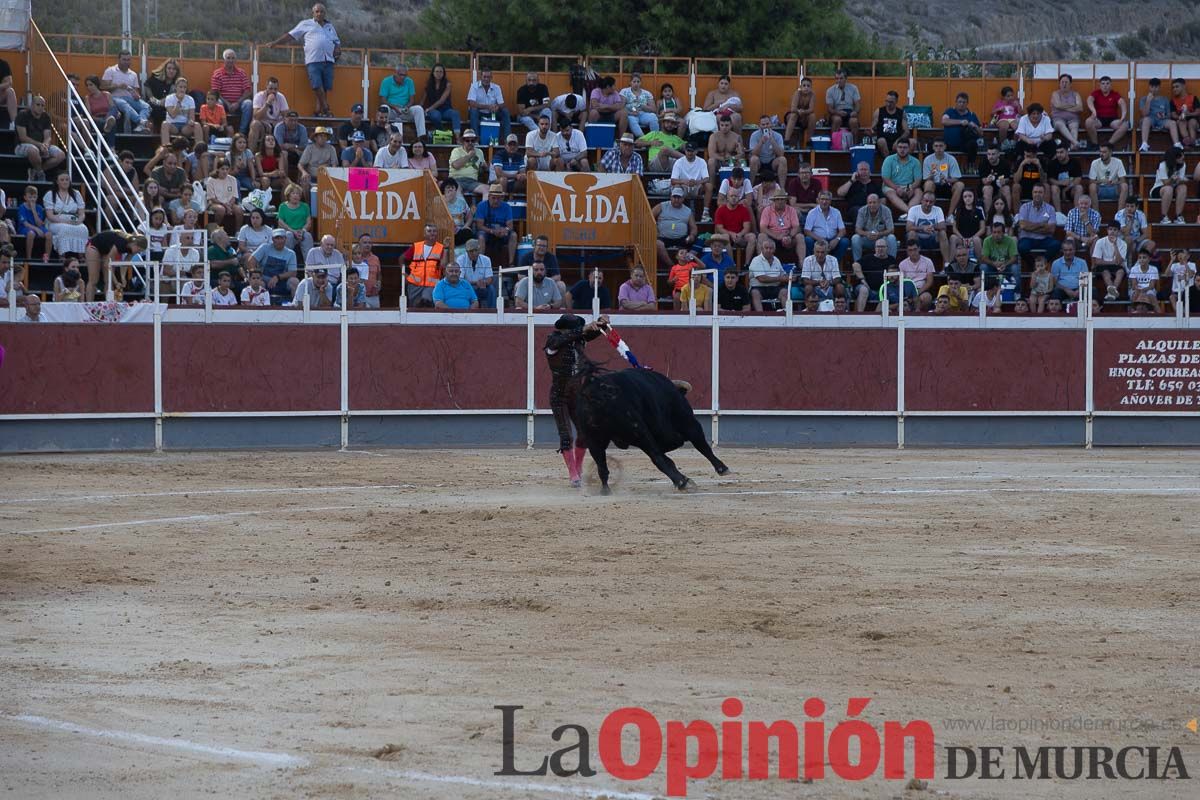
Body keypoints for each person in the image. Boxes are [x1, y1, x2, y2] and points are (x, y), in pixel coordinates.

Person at [544, 313, 607, 487]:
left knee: (584, 434)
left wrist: (601, 323)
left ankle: (577, 468)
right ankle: (573, 474)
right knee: (566, 436)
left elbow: (590, 334)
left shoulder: (578, 339)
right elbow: (568, 337)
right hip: (559, 397)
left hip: (577, 396)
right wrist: (583, 329)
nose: (576, 332)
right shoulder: (553, 341)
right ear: (564, 329)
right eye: (573, 329)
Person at [269, 3, 340, 117]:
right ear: (313, 13)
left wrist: (337, 48)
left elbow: (337, 41)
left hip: (328, 60)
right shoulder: (306, 24)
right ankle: (326, 108)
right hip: (313, 60)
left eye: (321, 11)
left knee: (325, 87)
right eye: (317, 11)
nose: (319, 14)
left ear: (325, 13)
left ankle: (318, 111)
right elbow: (290, 35)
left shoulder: (330, 26)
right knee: (317, 85)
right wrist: (276, 43)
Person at [85, 231, 145, 302]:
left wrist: (123, 278)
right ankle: (89, 304)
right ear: (135, 244)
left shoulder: (131, 249)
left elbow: (125, 263)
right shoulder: (121, 243)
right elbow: (107, 265)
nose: (138, 252)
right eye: (139, 250)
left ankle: (109, 304)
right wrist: (116, 282)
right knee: (94, 280)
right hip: (94, 246)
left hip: (106, 250)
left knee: (109, 281)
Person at [15, 96, 66, 181]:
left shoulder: (46, 116)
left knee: (61, 155)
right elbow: (23, 137)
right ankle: (41, 175)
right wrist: (40, 145)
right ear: (32, 105)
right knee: (33, 150)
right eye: (38, 105)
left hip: (41, 145)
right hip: (21, 145)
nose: (40, 107)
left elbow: (48, 136)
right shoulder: (22, 115)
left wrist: (45, 145)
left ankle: (36, 171)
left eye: (42, 105)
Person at [101, 50, 150, 132]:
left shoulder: (133, 74)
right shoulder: (110, 70)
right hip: (115, 98)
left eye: (128, 60)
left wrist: (137, 95)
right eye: (124, 59)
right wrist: (117, 86)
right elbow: (103, 87)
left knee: (146, 106)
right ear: (119, 60)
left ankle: (140, 126)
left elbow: (136, 91)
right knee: (124, 104)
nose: (126, 62)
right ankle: (140, 122)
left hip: (129, 98)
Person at [43, 173, 89, 259]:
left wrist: (79, 220)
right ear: (57, 181)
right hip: (55, 221)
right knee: (64, 228)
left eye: (67, 180)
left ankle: (81, 255)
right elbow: (50, 215)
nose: (65, 182)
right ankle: (62, 255)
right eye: (62, 180)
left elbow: (81, 213)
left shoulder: (76, 193)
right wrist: (65, 221)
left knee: (83, 229)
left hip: (73, 220)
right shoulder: (50, 194)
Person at [247, 228, 300, 302]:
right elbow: (251, 261)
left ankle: (295, 306)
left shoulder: (291, 253)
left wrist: (277, 277)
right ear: (272, 239)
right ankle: (258, 306)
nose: (279, 241)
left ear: (285, 239)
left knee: (294, 281)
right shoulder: (265, 247)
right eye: (277, 238)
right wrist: (258, 277)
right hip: (264, 281)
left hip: (282, 282)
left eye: (281, 238)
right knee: (258, 282)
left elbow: (293, 272)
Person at [402, 223, 447, 307]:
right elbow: (401, 259)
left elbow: (443, 265)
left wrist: (446, 248)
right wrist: (404, 275)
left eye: (434, 231)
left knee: (426, 302)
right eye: (429, 231)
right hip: (414, 285)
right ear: (424, 234)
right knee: (414, 307)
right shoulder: (416, 246)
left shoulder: (441, 248)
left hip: (431, 285)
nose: (432, 233)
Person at [379, 62, 427, 141]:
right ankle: (385, 136)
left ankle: (421, 137)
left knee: (418, 109)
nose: (403, 77)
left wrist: (407, 107)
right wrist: (394, 107)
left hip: (404, 110)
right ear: (395, 73)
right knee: (384, 107)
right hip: (391, 110)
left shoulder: (409, 81)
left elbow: (412, 100)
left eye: (405, 75)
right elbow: (382, 99)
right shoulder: (386, 81)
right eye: (401, 75)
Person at [210, 49, 253, 135]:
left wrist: (237, 102)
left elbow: (248, 91)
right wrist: (228, 103)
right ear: (224, 60)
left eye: (233, 58)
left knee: (248, 103)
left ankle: (242, 133)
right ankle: (221, 130)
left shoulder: (241, 73)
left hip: (239, 102)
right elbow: (215, 92)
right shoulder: (217, 73)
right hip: (224, 102)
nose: (231, 60)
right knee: (218, 103)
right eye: (228, 58)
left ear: (235, 60)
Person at [654, 187, 697, 268]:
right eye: (674, 197)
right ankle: (672, 266)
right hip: (663, 237)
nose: (676, 199)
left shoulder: (687, 211)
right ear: (671, 197)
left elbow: (693, 227)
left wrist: (692, 235)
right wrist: (655, 229)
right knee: (658, 244)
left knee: (699, 239)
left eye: (679, 197)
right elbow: (649, 217)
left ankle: (689, 266)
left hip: (681, 238)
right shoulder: (662, 206)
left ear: (683, 198)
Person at [759, 188, 804, 266]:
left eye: (782, 199)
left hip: (787, 235)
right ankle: (762, 264)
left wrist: (789, 236)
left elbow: (796, 227)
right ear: (774, 201)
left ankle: (802, 264)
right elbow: (762, 228)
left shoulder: (791, 210)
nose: (780, 201)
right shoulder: (767, 210)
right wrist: (776, 236)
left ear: (786, 200)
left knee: (800, 237)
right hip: (772, 236)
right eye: (778, 199)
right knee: (761, 236)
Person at [1016, 184, 1061, 261]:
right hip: (1027, 238)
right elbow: (1023, 226)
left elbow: (1051, 229)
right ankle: (1033, 264)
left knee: (1056, 245)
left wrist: (1030, 227)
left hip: (1044, 239)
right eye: (1035, 192)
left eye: (1040, 192)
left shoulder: (1050, 209)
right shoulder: (1024, 207)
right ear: (1032, 193)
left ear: (1044, 194)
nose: (1037, 194)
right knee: (1022, 247)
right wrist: (1042, 224)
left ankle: (1043, 262)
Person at [475, 185, 517, 264]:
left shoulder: (507, 207)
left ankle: (511, 263)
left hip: (502, 232)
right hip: (487, 232)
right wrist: (492, 231)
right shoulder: (481, 206)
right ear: (489, 197)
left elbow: (510, 225)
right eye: (493, 198)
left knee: (513, 235)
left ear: (502, 198)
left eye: (498, 198)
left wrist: (505, 230)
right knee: (481, 236)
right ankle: (480, 264)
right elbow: (479, 226)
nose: (496, 201)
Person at [851, 236, 895, 311]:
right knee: (863, 290)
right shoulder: (868, 258)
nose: (880, 249)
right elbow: (855, 265)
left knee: (886, 291)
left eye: (882, 247)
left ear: (887, 248)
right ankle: (859, 316)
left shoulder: (891, 260)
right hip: (867, 289)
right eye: (878, 247)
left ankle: (876, 316)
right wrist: (862, 280)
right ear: (875, 248)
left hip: (883, 290)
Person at [1085, 76, 1129, 148]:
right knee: (1088, 122)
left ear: (1110, 85)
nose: (1105, 86)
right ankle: (1095, 144)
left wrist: (1123, 116)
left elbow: (1122, 103)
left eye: (1107, 83)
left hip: (1112, 120)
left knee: (1125, 125)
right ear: (1100, 85)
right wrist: (1093, 111)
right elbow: (1089, 100)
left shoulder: (1115, 94)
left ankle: (1108, 145)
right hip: (1098, 119)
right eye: (1103, 84)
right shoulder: (1096, 93)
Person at [803, 190, 849, 261]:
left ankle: (834, 264)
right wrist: (820, 239)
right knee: (808, 240)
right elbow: (807, 231)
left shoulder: (836, 212)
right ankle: (813, 264)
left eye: (827, 199)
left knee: (844, 241)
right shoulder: (812, 213)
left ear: (830, 201)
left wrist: (836, 239)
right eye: (822, 199)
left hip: (832, 240)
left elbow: (842, 230)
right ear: (818, 200)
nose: (824, 202)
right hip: (817, 240)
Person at [941, 92, 983, 168]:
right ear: (956, 102)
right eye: (959, 102)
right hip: (948, 144)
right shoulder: (950, 111)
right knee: (933, 144)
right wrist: (961, 122)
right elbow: (944, 121)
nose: (961, 104)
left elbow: (981, 133)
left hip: (964, 145)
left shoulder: (972, 115)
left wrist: (975, 126)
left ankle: (970, 167)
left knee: (973, 144)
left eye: (964, 102)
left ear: (967, 103)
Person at [467, 68, 510, 142]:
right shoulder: (474, 86)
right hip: (479, 112)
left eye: (488, 77)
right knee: (473, 111)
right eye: (484, 77)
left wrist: (497, 107)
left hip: (493, 112)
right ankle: (475, 140)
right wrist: (487, 106)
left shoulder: (497, 87)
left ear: (491, 78)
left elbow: (502, 104)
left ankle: (508, 140)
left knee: (505, 111)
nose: (486, 79)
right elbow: (471, 103)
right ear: (481, 77)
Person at [881, 139, 922, 213]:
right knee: (891, 193)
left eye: (905, 147)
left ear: (909, 149)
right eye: (900, 147)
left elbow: (918, 180)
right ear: (896, 148)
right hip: (892, 186)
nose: (902, 150)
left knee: (919, 192)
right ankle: (909, 212)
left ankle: (908, 213)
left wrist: (911, 187)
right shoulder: (889, 160)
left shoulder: (915, 162)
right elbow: (885, 179)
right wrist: (897, 188)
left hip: (909, 186)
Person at [922, 139, 965, 212]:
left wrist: (947, 179)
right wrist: (931, 176)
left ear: (945, 147)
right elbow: (925, 179)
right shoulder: (928, 159)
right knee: (928, 183)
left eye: (941, 146)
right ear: (933, 147)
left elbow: (956, 178)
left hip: (947, 185)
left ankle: (950, 214)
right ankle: (929, 212)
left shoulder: (951, 159)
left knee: (960, 185)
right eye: (936, 146)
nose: (938, 148)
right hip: (934, 186)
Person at [248, 76, 289, 151]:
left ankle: (280, 153)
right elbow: (256, 116)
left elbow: (286, 116)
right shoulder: (259, 96)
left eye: (275, 89)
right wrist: (267, 103)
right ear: (266, 87)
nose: (273, 91)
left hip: (276, 124)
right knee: (254, 124)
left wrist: (276, 123)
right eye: (270, 88)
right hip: (262, 123)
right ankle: (251, 155)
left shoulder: (281, 97)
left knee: (284, 125)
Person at [423, 63, 462, 140]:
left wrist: (429, 108)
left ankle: (457, 138)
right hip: (433, 110)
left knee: (455, 113)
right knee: (436, 116)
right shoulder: (429, 84)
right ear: (433, 73)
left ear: (444, 73)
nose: (439, 73)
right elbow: (423, 99)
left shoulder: (448, 84)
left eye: (441, 72)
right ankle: (444, 133)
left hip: (445, 110)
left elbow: (442, 100)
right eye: (437, 71)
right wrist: (421, 109)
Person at [1151, 145, 1188, 224]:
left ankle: (1178, 216)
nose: (1183, 157)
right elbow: (1165, 183)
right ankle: (1164, 216)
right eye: (1180, 156)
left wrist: (1182, 180)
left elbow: (1179, 181)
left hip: (1173, 187)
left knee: (1183, 187)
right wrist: (1172, 178)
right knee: (1168, 188)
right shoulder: (1163, 165)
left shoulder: (1182, 165)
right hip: (1159, 188)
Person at [1139, 78, 1179, 152]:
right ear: (1149, 87)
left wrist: (1164, 116)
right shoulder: (1143, 99)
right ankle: (1144, 144)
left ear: (1159, 87)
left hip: (1162, 120)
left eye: (1156, 87)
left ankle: (1176, 144)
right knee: (1146, 120)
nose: (1154, 89)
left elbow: (1169, 115)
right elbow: (1145, 114)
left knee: (1173, 123)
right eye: (1152, 87)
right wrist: (1148, 101)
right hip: (1150, 119)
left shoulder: (1165, 99)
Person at [747, 237, 787, 311]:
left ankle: (786, 313)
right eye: (766, 248)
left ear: (774, 250)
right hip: (759, 288)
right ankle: (760, 315)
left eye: (771, 248)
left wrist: (789, 277)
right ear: (762, 249)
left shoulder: (776, 260)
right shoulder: (756, 260)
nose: (768, 250)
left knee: (784, 291)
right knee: (755, 293)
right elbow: (762, 278)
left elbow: (783, 274)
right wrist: (780, 278)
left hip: (774, 288)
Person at [1092, 221, 1128, 301]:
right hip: (1103, 266)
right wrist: (1113, 262)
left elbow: (1119, 261)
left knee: (1120, 272)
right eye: (1110, 229)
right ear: (1107, 230)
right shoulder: (1100, 242)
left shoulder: (1123, 244)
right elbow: (1097, 261)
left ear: (1118, 232)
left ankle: (1111, 293)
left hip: (1117, 266)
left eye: (1115, 230)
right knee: (1106, 273)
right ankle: (1113, 292)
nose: (1112, 231)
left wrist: (1115, 245)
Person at [449, 128, 489, 198]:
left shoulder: (479, 152)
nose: (470, 143)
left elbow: (485, 166)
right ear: (463, 141)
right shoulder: (456, 151)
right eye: (467, 140)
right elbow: (455, 165)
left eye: (472, 140)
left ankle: (482, 209)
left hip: (472, 181)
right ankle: (464, 209)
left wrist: (485, 167)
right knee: (456, 190)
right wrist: (469, 155)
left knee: (487, 189)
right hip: (456, 180)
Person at [748, 115, 787, 186]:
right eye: (763, 124)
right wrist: (761, 142)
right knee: (753, 159)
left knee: (782, 160)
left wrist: (772, 140)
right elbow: (753, 153)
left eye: (767, 124)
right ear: (760, 125)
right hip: (759, 162)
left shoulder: (778, 136)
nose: (765, 126)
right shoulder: (754, 135)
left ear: (771, 124)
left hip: (772, 162)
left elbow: (781, 154)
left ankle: (782, 188)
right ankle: (750, 187)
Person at [898, 238, 935, 311]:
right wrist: (910, 295)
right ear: (907, 252)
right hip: (908, 292)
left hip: (922, 290)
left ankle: (920, 316)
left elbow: (929, 281)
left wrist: (917, 292)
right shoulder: (902, 264)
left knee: (927, 298)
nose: (913, 252)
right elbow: (901, 282)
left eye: (915, 249)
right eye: (910, 250)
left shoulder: (928, 261)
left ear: (919, 249)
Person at [298, 125, 338, 192]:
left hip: (326, 176)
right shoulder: (309, 148)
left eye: (325, 136)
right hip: (311, 176)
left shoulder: (331, 148)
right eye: (321, 136)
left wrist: (332, 174)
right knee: (304, 181)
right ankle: (308, 202)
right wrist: (303, 172)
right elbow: (300, 164)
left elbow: (334, 165)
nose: (323, 138)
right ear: (315, 138)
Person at [1087, 144, 1128, 209]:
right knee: (1092, 186)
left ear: (1111, 152)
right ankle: (1096, 215)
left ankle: (1119, 216)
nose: (1101, 154)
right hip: (1100, 189)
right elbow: (1091, 181)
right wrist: (1101, 181)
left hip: (1113, 188)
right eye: (1100, 152)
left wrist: (1115, 182)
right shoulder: (1095, 162)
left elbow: (1123, 180)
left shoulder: (1118, 162)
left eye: (1104, 152)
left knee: (1124, 186)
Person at [457, 239, 495, 308]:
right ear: (467, 251)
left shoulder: (486, 259)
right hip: (467, 287)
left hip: (482, 286)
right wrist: (475, 283)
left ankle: (492, 312)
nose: (474, 253)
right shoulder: (460, 259)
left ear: (479, 250)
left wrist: (484, 282)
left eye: (476, 250)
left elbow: (490, 278)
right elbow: (460, 280)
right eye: (471, 251)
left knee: (491, 289)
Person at [16, 184, 50, 262]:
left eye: (34, 197)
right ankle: (29, 257)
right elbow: (25, 223)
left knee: (49, 234)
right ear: (25, 197)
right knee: (31, 233)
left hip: (37, 226)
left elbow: (39, 224)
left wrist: (34, 210)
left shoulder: (39, 208)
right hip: (25, 228)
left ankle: (46, 257)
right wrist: (36, 229)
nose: (32, 199)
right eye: (30, 197)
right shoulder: (22, 207)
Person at [1049, 74, 1084, 149]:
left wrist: (1063, 107)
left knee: (1074, 127)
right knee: (1059, 124)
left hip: (1073, 118)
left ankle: (1073, 147)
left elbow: (1080, 108)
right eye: (1062, 82)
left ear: (1070, 84)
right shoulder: (1055, 93)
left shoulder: (1075, 94)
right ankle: (1074, 142)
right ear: (1059, 83)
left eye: (1066, 82)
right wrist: (1073, 106)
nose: (1064, 84)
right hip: (1058, 118)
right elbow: (1058, 105)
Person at [872, 90, 910, 157]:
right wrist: (872, 130)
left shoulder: (901, 113)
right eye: (886, 101)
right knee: (881, 141)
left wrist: (898, 140)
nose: (888, 104)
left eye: (891, 102)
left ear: (896, 101)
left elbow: (907, 132)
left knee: (913, 142)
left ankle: (903, 163)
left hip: (897, 141)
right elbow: (872, 128)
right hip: (882, 141)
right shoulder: (879, 111)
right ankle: (889, 164)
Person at [1046, 143, 1083, 211]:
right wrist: (1061, 183)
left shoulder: (1075, 162)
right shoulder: (1052, 163)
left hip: (1070, 188)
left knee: (1079, 187)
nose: (1059, 155)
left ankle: (1077, 213)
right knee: (1054, 188)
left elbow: (1078, 179)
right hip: (1057, 189)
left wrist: (1066, 189)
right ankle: (1059, 214)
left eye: (1061, 152)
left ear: (1067, 152)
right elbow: (1050, 179)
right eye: (1057, 152)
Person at [620, 73, 658, 138]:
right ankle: (643, 139)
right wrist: (631, 113)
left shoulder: (647, 93)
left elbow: (654, 109)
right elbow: (621, 107)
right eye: (634, 81)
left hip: (643, 114)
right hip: (630, 114)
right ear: (630, 82)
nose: (636, 83)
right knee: (631, 120)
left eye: (638, 82)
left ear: (641, 83)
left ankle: (655, 137)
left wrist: (643, 106)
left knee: (653, 117)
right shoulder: (625, 92)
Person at [1049, 239, 1085, 304]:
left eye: (1070, 250)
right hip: (1062, 290)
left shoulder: (1082, 262)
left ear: (1074, 250)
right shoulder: (1056, 263)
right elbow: (1054, 282)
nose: (1068, 252)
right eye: (1065, 250)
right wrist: (1066, 289)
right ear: (1062, 250)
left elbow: (1085, 280)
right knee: (1055, 292)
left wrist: (1078, 290)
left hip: (1078, 289)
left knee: (1092, 291)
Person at [784, 76, 816, 147]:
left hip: (804, 118)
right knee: (793, 115)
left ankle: (809, 142)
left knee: (813, 116)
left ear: (811, 87)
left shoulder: (812, 95)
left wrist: (803, 112)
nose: (806, 87)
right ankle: (786, 141)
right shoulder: (797, 93)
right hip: (793, 117)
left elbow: (811, 109)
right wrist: (799, 111)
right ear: (800, 87)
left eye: (808, 86)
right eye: (804, 85)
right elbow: (793, 109)